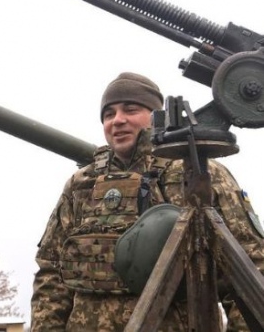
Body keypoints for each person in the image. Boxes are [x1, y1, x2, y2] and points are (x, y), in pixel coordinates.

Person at [30, 72, 264, 331]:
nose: (118, 120)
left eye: (130, 110)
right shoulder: (81, 184)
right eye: (109, 114)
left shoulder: (197, 173)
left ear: (156, 116)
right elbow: (51, 271)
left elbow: (251, 264)